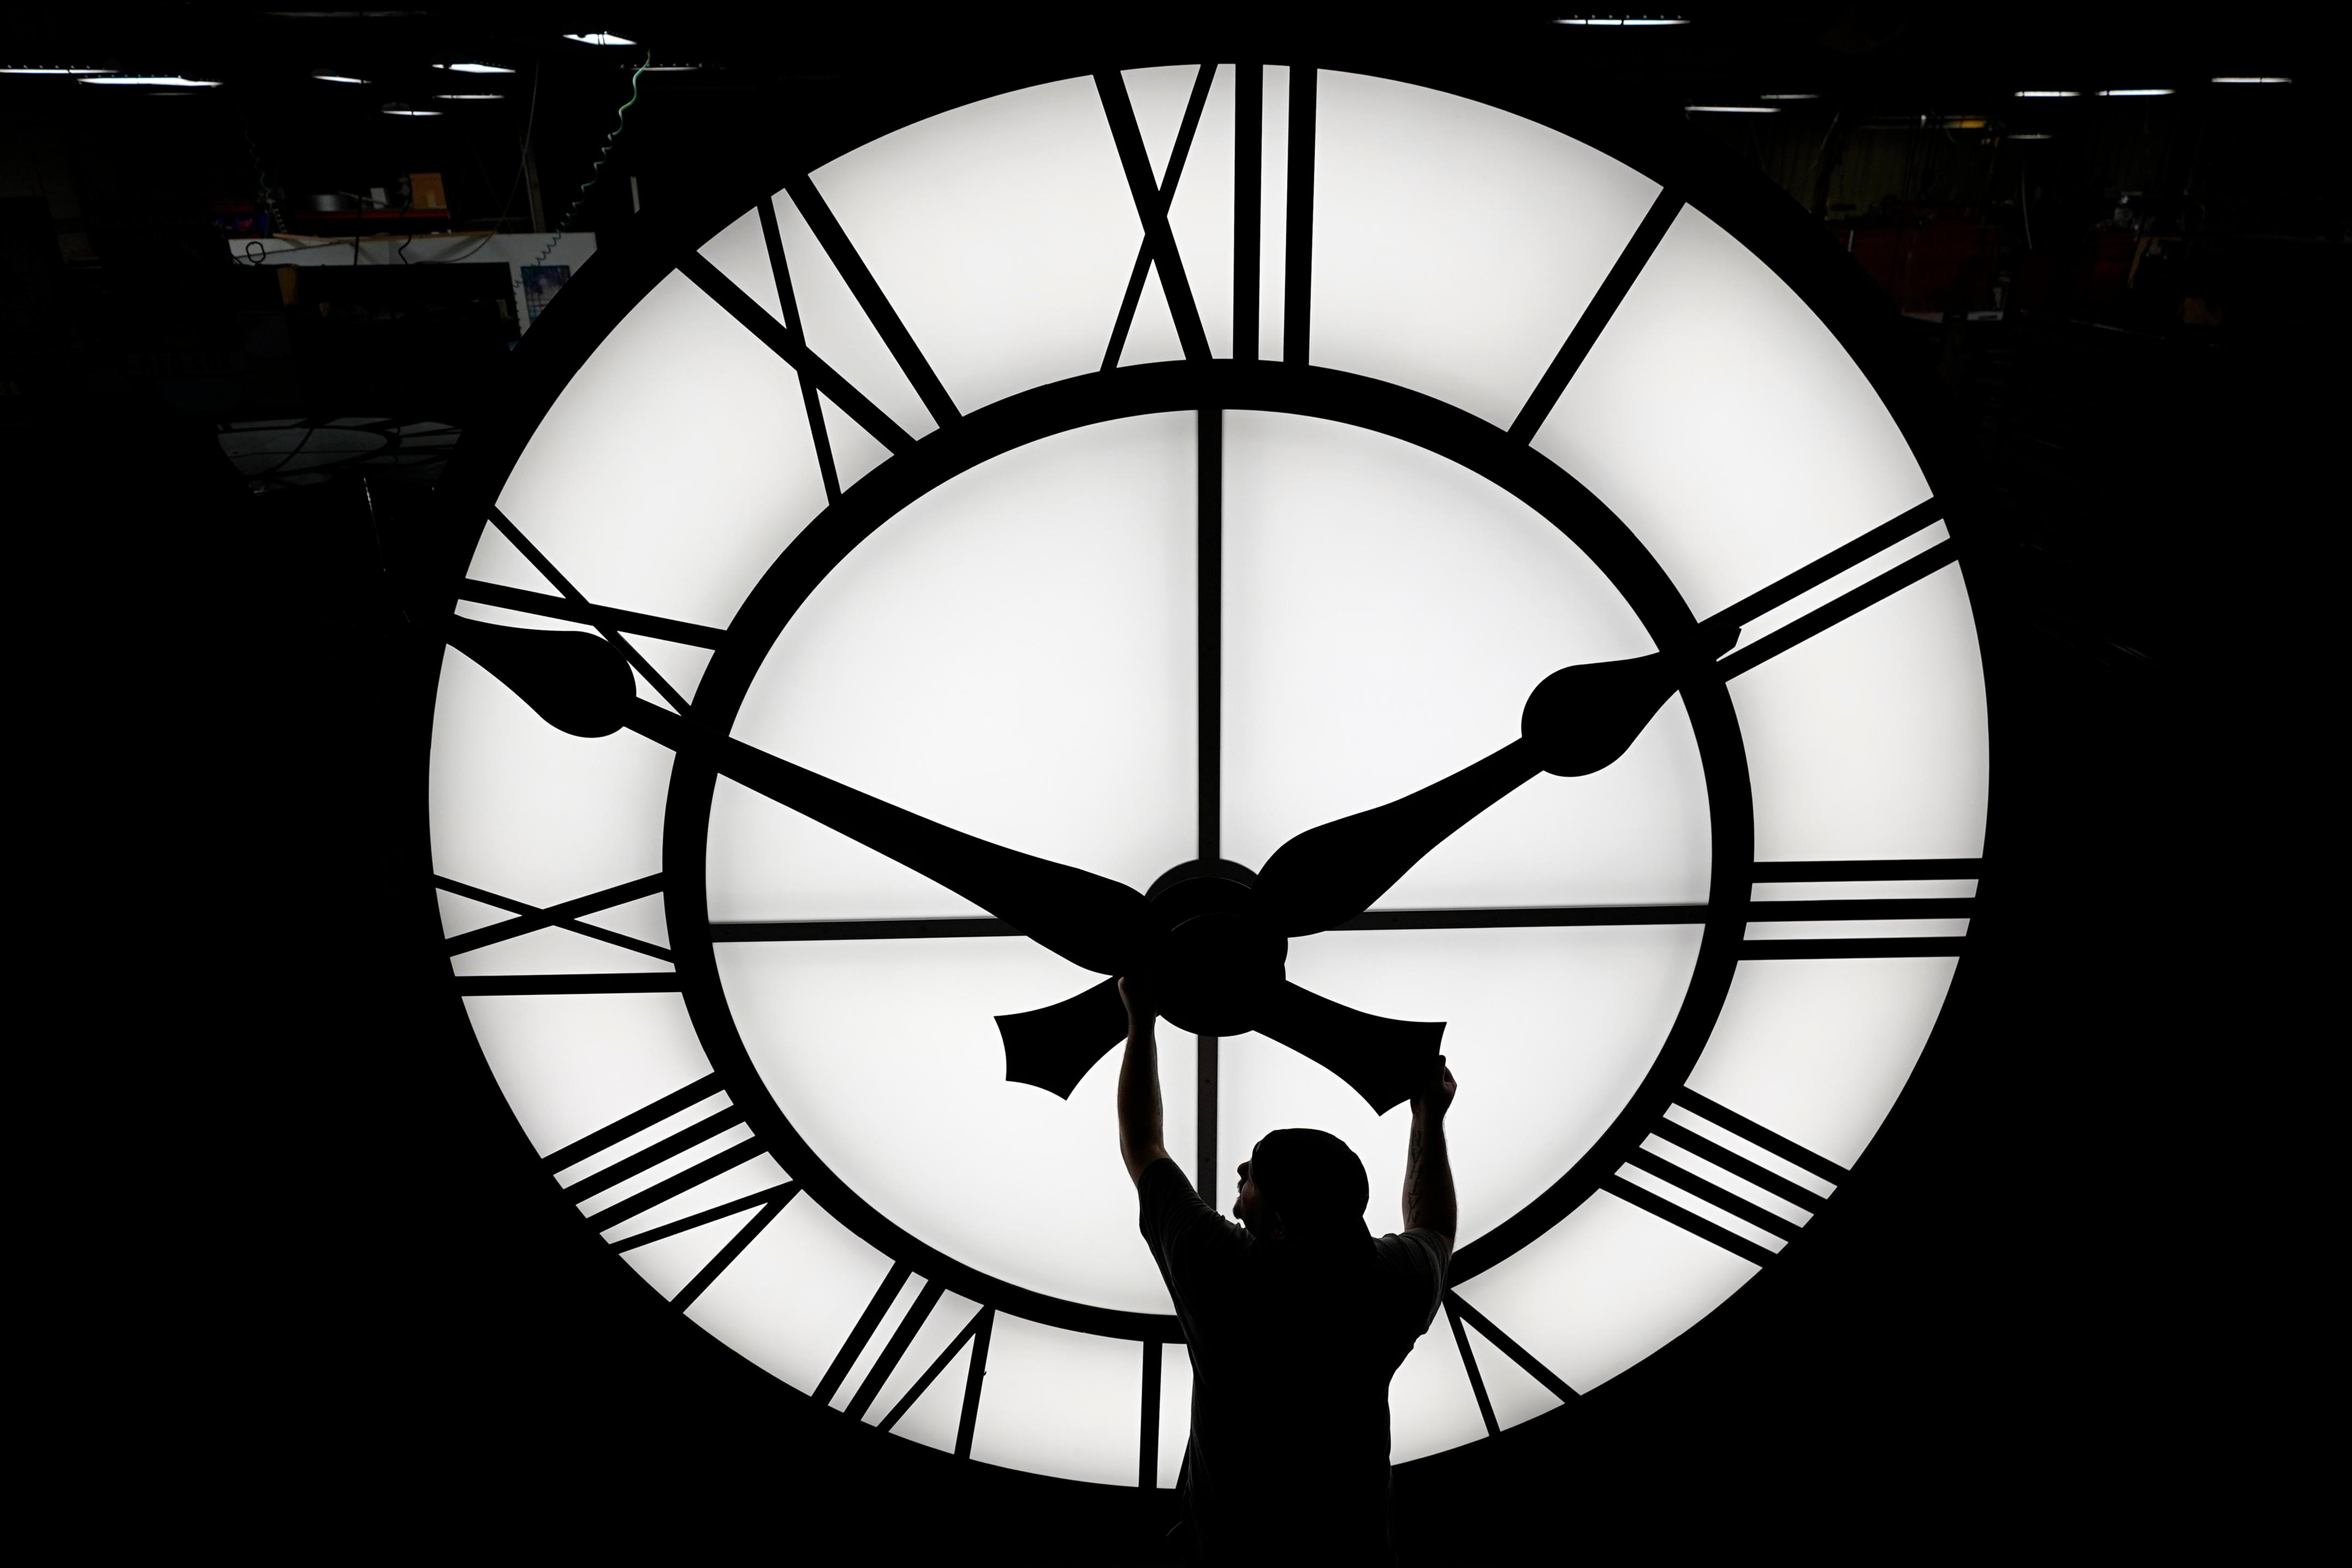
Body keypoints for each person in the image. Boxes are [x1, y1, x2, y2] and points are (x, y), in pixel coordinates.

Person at [1117, 976, 1457, 1564]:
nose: (1241, 1172)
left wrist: (1141, 1020)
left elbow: (1144, 1143)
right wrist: (1428, 1114)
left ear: (1276, 1223)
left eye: (1252, 1179)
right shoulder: (1390, 1287)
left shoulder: (1224, 1273)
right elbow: (1434, 1224)